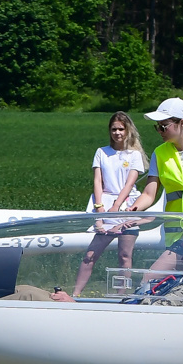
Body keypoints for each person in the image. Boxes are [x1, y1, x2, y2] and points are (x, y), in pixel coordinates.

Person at [71, 113, 146, 297]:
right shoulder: (102, 152)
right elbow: (98, 180)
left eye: (121, 129)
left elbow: (129, 184)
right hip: (103, 204)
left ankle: (122, 295)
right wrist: (99, 208)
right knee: (91, 255)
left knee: (125, 256)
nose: (117, 133)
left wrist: (117, 206)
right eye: (114, 129)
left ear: (127, 131)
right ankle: (76, 293)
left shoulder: (135, 155)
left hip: (126, 206)